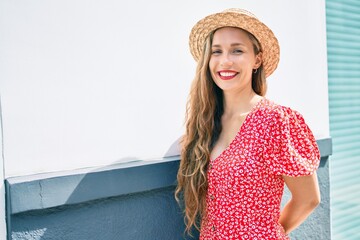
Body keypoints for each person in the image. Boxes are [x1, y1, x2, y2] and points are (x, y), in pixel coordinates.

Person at [175, 8, 321, 240]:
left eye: (237, 51)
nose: (225, 61)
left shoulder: (275, 120)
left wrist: (262, 233)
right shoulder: (205, 123)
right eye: (216, 51)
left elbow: (309, 199)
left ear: (257, 59)